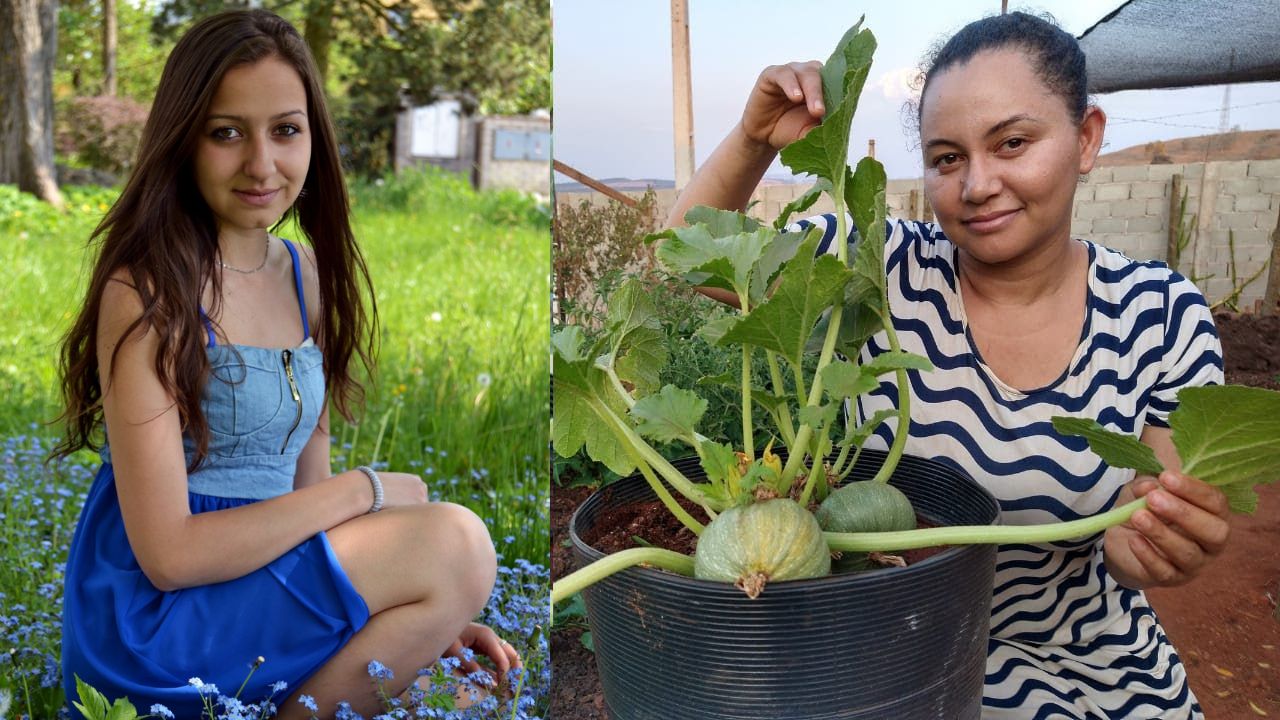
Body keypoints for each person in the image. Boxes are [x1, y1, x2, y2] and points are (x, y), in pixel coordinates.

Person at [667, 11, 1228, 719]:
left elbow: (1141, 521)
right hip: (888, 647)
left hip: (1089, 657)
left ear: (1086, 139)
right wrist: (752, 139)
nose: (977, 185)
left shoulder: (1162, 314)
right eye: (947, 158)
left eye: (1013, 143)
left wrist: (1152, 541)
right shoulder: (879, 265)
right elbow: (689, 258)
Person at [54, 10, 518, 717]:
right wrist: (366, 492)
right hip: (158, 622)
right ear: (184, 139)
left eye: (285, 130)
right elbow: (169, 556)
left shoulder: (306, 277)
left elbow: (310, 474)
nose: (262, 164)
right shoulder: (145, 291)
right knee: (455, 540)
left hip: (264, 583)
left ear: (313, 139)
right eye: (226, 132)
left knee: (461, 666)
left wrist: (424, 614)